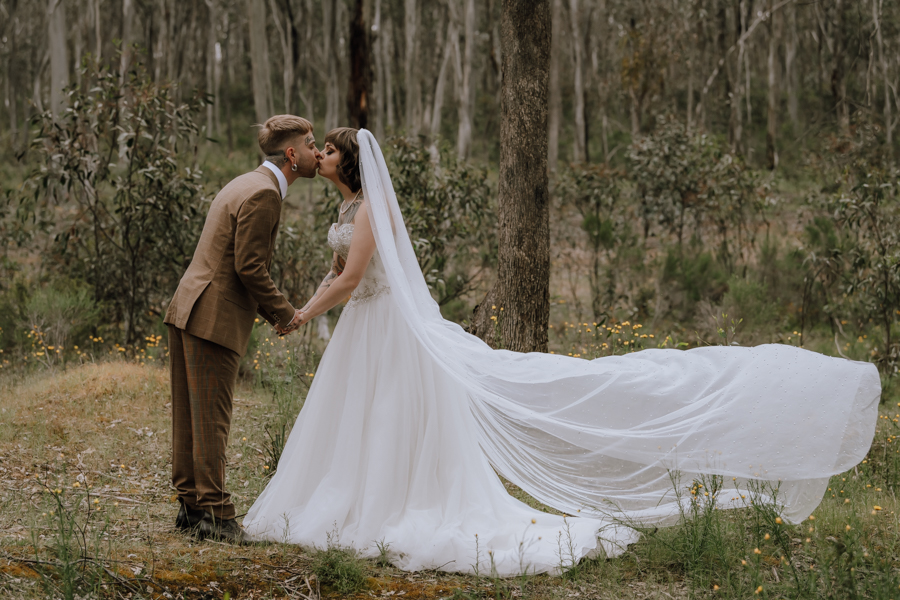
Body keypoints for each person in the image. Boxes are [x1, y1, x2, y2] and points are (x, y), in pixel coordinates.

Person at [242, 128, 880, 575]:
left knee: (384, 417)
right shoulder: (349, 206)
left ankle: (380, 507)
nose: (317, 155)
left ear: (346, 162)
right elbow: (338, 273)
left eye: (326, 149)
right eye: (317, 148)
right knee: (358, 421)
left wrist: (301, 314)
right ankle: (349, 498)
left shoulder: (370, 209)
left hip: (386, 330)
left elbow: (353, 281)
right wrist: (307, 305)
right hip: (362, 331)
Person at [164, 115, 321, 544]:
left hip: (189, 306)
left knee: (191, 415)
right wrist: (285, 314)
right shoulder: (265, 195)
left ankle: (191, 507)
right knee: (212, 417)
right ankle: (216, 514)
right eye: (310, 144)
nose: (318, 151)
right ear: (291, 155)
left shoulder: (245, 182)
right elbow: (249, 267)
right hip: (212, 315)